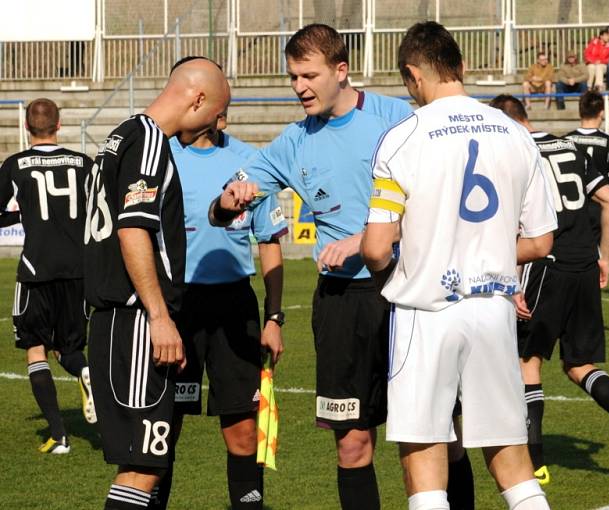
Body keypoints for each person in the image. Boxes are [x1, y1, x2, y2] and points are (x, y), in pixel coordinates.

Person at [208, 24, 412, 510]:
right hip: (341, 304)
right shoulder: (293, 142)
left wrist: (367, 239)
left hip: (408, 294)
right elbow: (225, 204)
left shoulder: (396, 119)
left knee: (432, 435)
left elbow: (432, 205)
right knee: (352, 442)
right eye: (293, 76)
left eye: (309, 75)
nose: (299, 86)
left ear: (341, 71)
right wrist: (228, 198)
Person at [361, 22, 557, 510]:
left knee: (424, 463)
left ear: (412, 74)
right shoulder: (516, 133)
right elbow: (539, 241)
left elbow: (375, 248)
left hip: (427, 313)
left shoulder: (403, 137)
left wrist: (428, 254)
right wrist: (481, 250)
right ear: (461, 67)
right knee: (513, 463)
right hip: (493, 310)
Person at [85, 57, 230, 509]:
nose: (214, 124)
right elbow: (132, 230)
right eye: (215, 113)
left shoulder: (119, 137)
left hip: (116, 320)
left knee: (143, 462)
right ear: (197, 98)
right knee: (143, 466)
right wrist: (159, 316)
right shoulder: (148, 139)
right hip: (133, 321)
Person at [490, 94, 609, 486]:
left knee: (527, 362)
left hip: (545, 263)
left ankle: (537, 462)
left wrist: (512, 282)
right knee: (578, 364)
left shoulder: (515, 152)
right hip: (583, 263)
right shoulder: (569, 145)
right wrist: (602, 256)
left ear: (505, 124)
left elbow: (516, 224)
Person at [150, 63, 289, 509]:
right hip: (177, 308)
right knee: (161, 431)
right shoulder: (161, 160)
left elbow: (268, 244)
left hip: (235, 307)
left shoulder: (250, 161)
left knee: (243, 429)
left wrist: (274, 317)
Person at [0, 98, 95, 454]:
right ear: (59, 124)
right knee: (68, 349)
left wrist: (19, 217)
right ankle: (87, 374)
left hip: (36, 271)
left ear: (26, 126)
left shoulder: (16, 164)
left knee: (36, 349)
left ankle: (59, 436)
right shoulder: (83, 163)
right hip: (78, 271)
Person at [565, 91, 609, 247]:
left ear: (580, 112)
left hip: (571, 208)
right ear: (602, 112)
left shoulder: (565, 140)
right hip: (600, 208)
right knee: (597, 258)